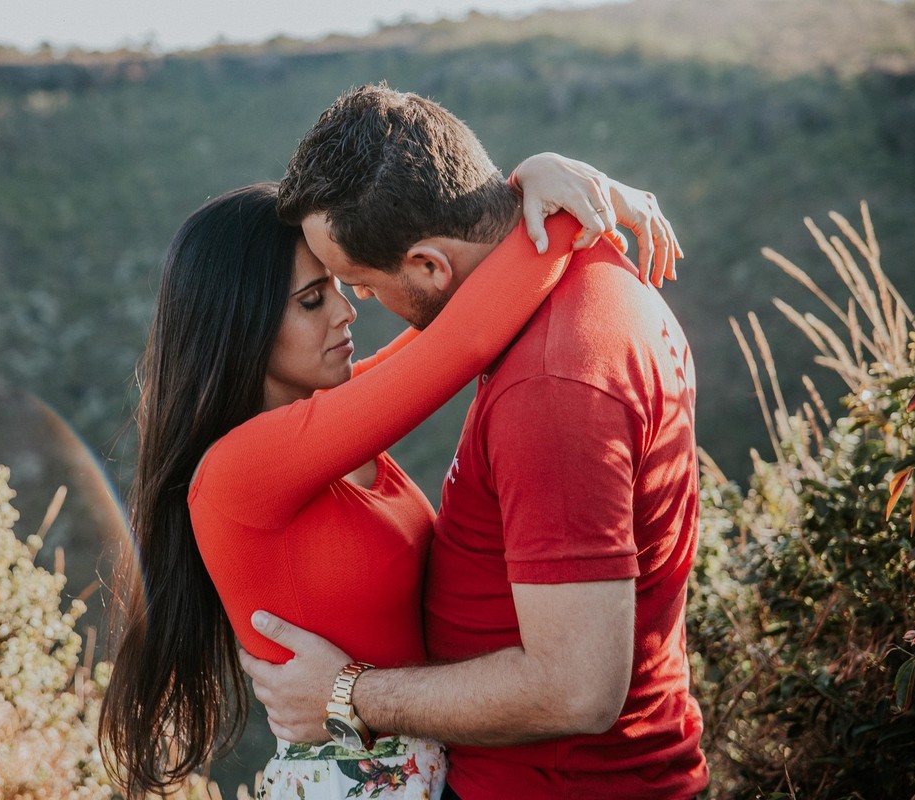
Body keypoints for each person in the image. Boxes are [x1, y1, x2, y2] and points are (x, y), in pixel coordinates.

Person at [95, 150, 681, 797]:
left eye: (343, 288)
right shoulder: (241, 469)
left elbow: (454, 325)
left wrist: (530, 182)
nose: (347, 314)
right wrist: (570, 208)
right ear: (241, 326)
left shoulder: (330, 425)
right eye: (313, 300)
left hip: (425, 769)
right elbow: (463, 342)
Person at [240, 84, 708, 799]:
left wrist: (348, 695)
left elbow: (578, 689)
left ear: (429, 265)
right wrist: (531, 174)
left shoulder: (553, 387)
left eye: (362, 284)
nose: (355, 307)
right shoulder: (582, 263)